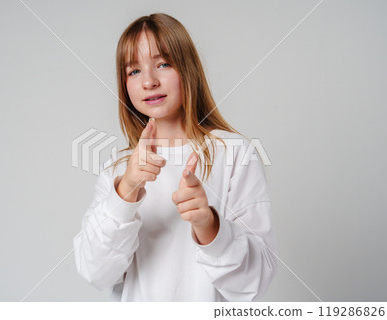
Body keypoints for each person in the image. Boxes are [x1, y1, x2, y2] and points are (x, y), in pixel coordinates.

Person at [73, 13, 278, 302]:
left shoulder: (235, 154)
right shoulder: (119, 169)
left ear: (188, 69)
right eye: (134, 71)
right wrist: (126, 193)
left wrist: (209, 225)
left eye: (163, 64)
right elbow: (96, 271)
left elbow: (253, 283)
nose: (149, 82)